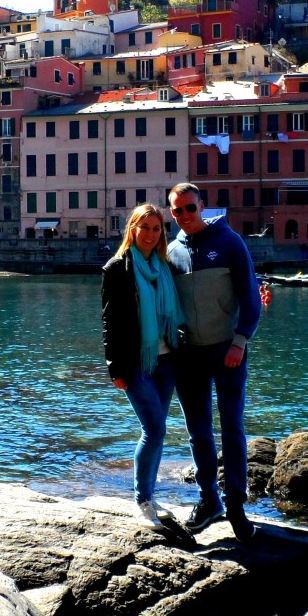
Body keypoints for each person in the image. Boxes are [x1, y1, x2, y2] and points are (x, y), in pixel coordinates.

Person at [166, 182, 262, 543]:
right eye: (177, 210)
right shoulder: (172, 252)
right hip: (188, 354)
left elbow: (251, 297)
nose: (184, 216)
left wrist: (240, 341)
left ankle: (237, 506)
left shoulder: (229, 243)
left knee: (232, 428)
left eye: (190, 208)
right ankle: (210, 500)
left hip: (227, 350)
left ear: (202, 206)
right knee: (198, 432)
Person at [101, 203, 184, 528]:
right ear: (132, 229)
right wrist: (115, 369)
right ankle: (142, 500)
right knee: (155, 429)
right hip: (135, 362)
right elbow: (110, 323)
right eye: (144, 227)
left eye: (156, 228)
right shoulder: (117, 268)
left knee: (157, 430)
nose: (150, 234)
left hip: (167, 360)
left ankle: (150, 493)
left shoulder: (164, 266)